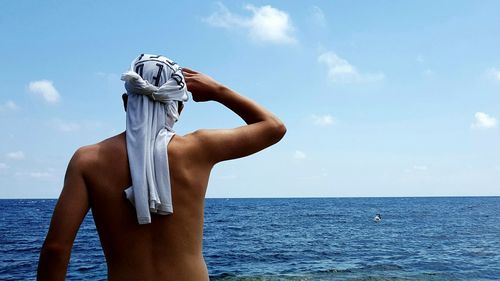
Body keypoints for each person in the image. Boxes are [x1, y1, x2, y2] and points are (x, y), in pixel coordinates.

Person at [36, 55, 286, 281]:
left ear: (126, 102)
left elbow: (56, 249)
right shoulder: (199, 149)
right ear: (178, 107)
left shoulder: (88, 160)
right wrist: (217, 91)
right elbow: (274, 127)